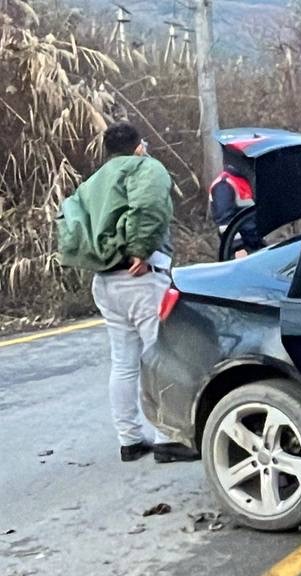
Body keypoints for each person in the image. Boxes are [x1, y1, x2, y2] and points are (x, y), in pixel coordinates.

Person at [56, 122, 200, 464]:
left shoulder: (92, 183)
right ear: (138, 146)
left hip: (105, 280)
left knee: (123, 361)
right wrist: (140, 249)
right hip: (141, 276)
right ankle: (167, 438)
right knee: (160, 355)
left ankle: (130, 439)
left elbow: (71, 220)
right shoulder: (145, 167)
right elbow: (149, 206)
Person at [209, 159, 260, 257]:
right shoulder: (224, 185)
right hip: (239, 251)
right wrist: (237, 248)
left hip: (253, 246)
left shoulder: (244, 181)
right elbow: (225, 223)